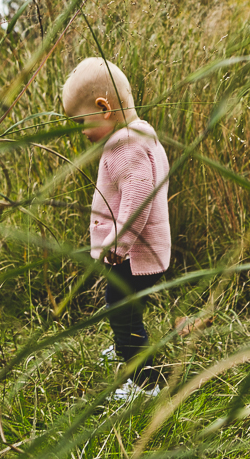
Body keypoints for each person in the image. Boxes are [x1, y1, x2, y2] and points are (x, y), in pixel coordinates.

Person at [61, 57, 171, 397]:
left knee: (122, 312)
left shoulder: (124, 145)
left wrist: (117, 247)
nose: (81, 130)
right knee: (125, 310)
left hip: (132, 255)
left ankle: (142, 381)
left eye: (81, 121)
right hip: (144, 252)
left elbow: (139, 199)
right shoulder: (143, 132)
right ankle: (127, 353)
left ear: (103, 108)